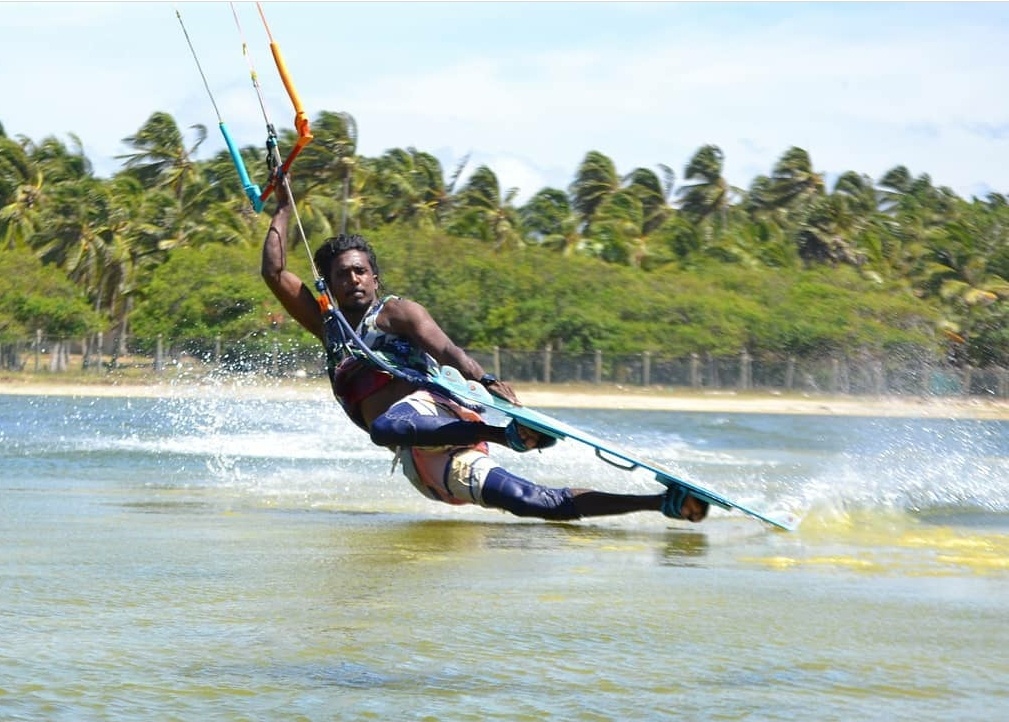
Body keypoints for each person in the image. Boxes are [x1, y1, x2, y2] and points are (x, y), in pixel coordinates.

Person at [260, 178, 709, 524]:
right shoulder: (330, 327)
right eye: (342, 275)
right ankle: (666, 504)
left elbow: (448, 350)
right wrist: (283, 208)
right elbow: (274, 270)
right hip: (422, 455)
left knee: (388, 424)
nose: (353, 280)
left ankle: (508, 437)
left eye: (361, 272)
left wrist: (486, 380)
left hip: (437, 413)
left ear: (375, 278)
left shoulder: (395, 313)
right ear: (330, 285)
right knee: (534, 503)